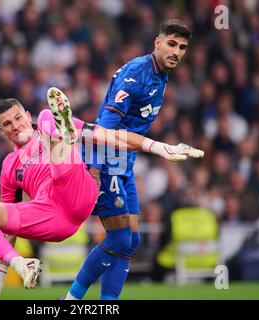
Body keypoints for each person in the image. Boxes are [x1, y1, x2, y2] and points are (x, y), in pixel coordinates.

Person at [0, 87, 203, 299]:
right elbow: (8, 230)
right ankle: (23, 266)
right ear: (2, 132)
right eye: (7, 125)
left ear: (27, 116)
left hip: (78, 191)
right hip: (52, 218)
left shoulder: (43, 123)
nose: (15, 127)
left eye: (18, 119)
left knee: (47, 116)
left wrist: (160, 148)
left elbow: (113, 138)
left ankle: (63, 135)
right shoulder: (8, 166)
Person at [64, 19, 195, 300]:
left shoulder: (161, 75)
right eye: (171, 44)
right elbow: (103, 132)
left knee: (131, 240)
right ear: (157, 43)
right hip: (105, 160)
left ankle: (108, 303)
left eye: (182, 47)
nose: (176, 51)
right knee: (120, 239)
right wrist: (96, 168)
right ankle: (71, 300)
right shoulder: (136, 75)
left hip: (125, 162)